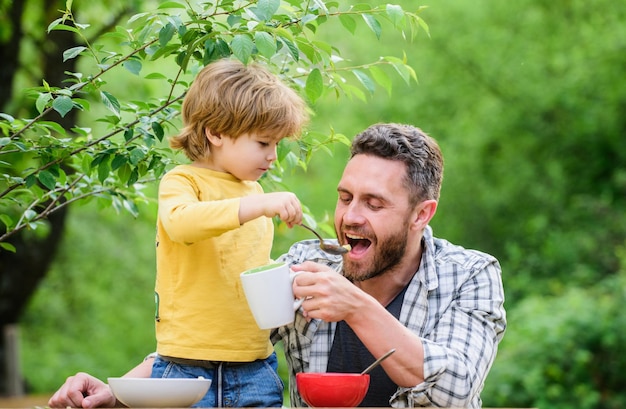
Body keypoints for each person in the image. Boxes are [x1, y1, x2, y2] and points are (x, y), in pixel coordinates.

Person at [49, 123, 506, 408]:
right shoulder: (305, 264)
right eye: (345, 198)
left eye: (374, 203)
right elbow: (219, 339)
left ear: (421, 215)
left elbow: (457, 391)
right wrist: (120, 393)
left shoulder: (469, 274)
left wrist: (356, 308)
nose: (350, 217)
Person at [149, 58, 308, 407]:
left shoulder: (254, 193)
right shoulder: (183, 181)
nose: (274, 157)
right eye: (264, 143)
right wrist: (260, 207)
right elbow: (182, 223)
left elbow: (245, 268)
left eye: (277, 145)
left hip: (253, 366)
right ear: (216, 133)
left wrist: (288, 284)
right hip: (187, 368)